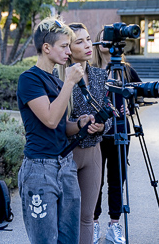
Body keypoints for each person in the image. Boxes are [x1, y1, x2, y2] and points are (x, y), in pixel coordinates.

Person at [16, 16, 99, 243]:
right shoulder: (29, 79)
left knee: (69, 238)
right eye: (64, 46)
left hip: (65, 165)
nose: (68, 52)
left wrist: (80, 124)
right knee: (45, 240)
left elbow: (60, 127)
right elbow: (50, 119)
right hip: (39, 169)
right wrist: (70, 82)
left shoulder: (56, 81)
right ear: (46, 48)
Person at [56, 23, 112, 244]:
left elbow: (109, 111)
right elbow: (55, 119)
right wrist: (78, 123)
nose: (88, 45)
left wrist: (101, 126)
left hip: (94, 153)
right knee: (65, 217)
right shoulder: (57, 77)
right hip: (68, 153)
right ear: (68, 48)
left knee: (88, 217)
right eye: (80, 41)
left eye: (88, 39)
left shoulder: (99, 75)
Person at [92, 29, 142, 244]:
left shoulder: (126, 71)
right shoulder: (90, 70)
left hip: (121, 132)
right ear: (98, 41)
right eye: (105, 36)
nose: (109, 41)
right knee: (94, 182)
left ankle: (114, 225)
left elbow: (139, 95)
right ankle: (92, 224)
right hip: (95, 134)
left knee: (116, 181)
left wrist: (133, 105)